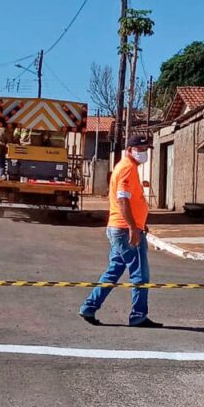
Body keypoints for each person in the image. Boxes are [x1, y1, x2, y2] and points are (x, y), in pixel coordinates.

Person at [79, 133, 162, 328]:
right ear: (129, 151)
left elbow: (133, 201)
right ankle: (138, 316)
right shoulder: (126, 168)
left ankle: (89, 307)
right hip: (125, 230)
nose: (143, 153)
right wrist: (133, 227)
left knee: (114, 270)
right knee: (140, 274)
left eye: (145, 150)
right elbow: (123, 200)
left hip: (123, 227)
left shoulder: (129, 167)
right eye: (139, 150)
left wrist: (141, 223)